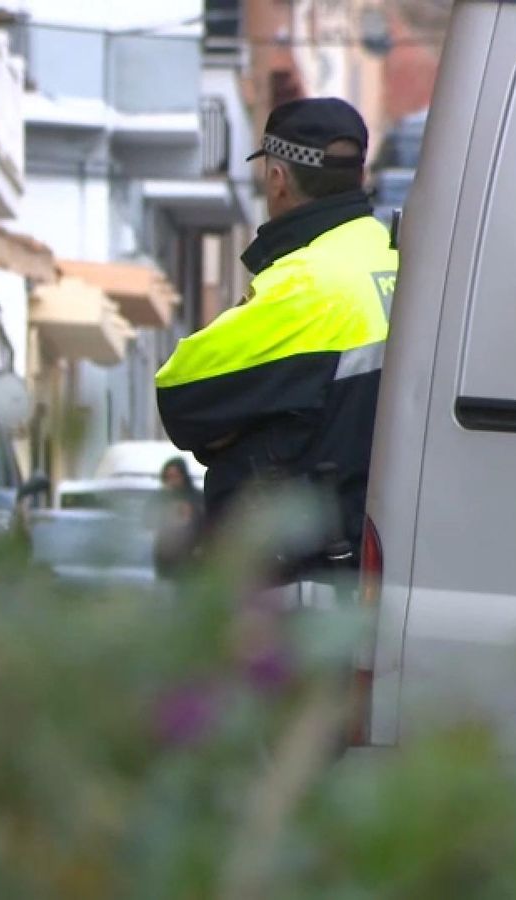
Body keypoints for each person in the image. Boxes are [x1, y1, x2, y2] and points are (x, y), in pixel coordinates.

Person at [154, 97, 398, 583]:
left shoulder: (306, 284)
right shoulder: (396, 255)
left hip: (298, 582)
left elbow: (180, 396)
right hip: (376, 559)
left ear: (278, 179)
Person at [153, 457, 204, 578]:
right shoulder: (159, 498)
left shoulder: (195, 497)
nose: (172, 481)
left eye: (175, 476)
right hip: (165, 558)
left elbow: (204, 523)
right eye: (168, 477)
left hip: (190, 558)